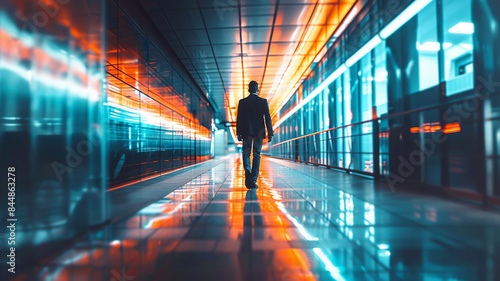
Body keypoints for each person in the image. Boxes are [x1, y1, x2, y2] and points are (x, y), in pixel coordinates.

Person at [236, 81, 273, 189]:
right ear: (257, 89)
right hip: (259, 132)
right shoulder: (263, 101)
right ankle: (253, 179)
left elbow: (239, 119)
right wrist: (270, 133)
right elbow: (267, 118)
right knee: (256, 154)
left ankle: (247, 169)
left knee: (246, 153)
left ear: (248, 90)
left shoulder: (242, 102)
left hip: (246, 133)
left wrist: (239, 133)